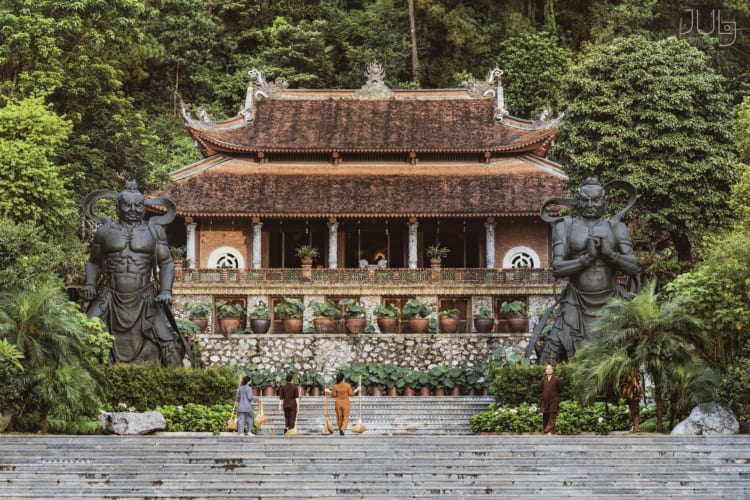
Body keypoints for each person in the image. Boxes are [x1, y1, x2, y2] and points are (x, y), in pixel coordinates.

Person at [81, 181, 182, 366]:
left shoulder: (154, 230)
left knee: (166, 341)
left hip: (144, 296)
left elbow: (166, 262)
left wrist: (166, 290)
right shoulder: (105, 231)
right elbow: (94, 261)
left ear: (144, 208)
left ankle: (179, 382)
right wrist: (89, 284)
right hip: (110, 294)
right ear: (118, 207)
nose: (133, 209)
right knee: (85, 331)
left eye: (138, 205)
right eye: (128, 205)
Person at [539, 178, 639, 363]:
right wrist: (587, 258)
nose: (590, 204)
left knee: (627, 353)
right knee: (549, 354)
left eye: (595, 200)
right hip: (575, 300)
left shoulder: (616, 227)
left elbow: (634, 266)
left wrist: (611, 255)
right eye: (585, 200)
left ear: (605, 202)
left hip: (611, 299)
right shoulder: (565, 227)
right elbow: (557, 269)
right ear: (577, 201)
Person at [540, 364, 562, 435]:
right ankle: (546, 430)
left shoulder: (556, 379)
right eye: (547, 369)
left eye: (550, 369)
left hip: (554, 400)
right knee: (545, 415)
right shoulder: (543, 379)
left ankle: (549, 431)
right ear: (545, 370)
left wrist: (556, 397)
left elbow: (560, 389)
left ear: (552, 370)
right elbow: (541, 389)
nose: (549, 370)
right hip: (545, 400)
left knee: (552, 415)